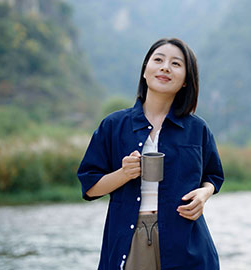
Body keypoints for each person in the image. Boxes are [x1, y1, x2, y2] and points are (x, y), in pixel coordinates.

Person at [77, 37, 224, 270]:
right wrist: (124, 174)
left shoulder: (197, 129)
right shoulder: (114, 125)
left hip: (186, 239)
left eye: (176, 64)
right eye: (158, 60)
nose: (165, 67)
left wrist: (203, 195)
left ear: (186, 80)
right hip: (130, 239)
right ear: (145, 70)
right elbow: (90, 187)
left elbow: (213, 176)